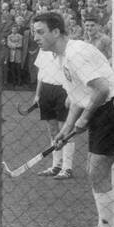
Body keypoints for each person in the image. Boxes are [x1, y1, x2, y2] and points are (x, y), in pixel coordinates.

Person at [35, 10, 114, 227]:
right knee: (96, 169)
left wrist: (83, 120)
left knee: (97, 170)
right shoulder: (59, 58)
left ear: (57, 31)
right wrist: (65, 130)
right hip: (106, 106)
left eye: (40, 32)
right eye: (35, 33)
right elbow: (75, 99)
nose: (36, 38)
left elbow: (101, 89)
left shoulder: (75, 52)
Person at [31, 26, 75, 179]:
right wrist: (37, 94)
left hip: (63, 90)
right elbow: (40, 73)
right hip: (46, 90)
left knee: (66, 130)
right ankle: (56, 165)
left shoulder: (66, 50)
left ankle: (67, 168)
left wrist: (71, 93)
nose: (39, 36)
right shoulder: (42, 50)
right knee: (52, 129)